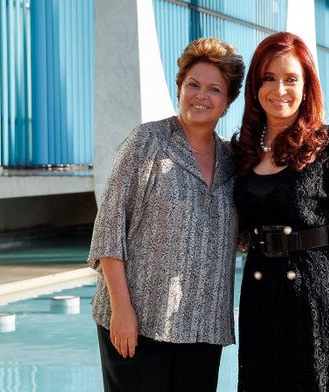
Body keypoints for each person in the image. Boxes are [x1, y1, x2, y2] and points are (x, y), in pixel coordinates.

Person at [88, 37, 245, 392]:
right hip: (139, 323)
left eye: (214, 89)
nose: (200, 95)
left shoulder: (234, 161)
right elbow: (109, 229)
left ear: (228, 101)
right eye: (193, 84)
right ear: (179, 88)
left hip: (203, 328)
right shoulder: (146, 142)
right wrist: (122, 311)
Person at [231, 31, 329, 391]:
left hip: (323, 296)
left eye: (290, 79)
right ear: (255, 86)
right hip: (260, 298)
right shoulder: (242, 151)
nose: (279, 90)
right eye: (269, 78)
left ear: (306, 86)